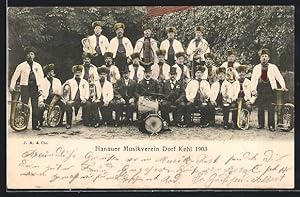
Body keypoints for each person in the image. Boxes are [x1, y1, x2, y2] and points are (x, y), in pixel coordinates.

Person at [250, 48, 287, 131]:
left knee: (271, 107)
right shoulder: (256, 68)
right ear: (260, 58)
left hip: (270, 89)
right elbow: (253, 79)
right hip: (260, 88)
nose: (264, 58)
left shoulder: (273, 67)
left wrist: (283, 86)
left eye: (266, 56)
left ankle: (271, 125)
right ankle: (261, 124)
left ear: (268, 58)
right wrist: (253, 89)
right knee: (260, 106)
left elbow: (279, 77)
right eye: (262, 56)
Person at [9, 46, 44, 130]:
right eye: (28, 54)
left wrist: (41, 89)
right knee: (24, 105)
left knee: (35, 106)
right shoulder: (21, 65)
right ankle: (23, 124)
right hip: (25, 87)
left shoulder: (38, 66)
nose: (30, 56)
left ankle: (35, 125)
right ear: (26, 56)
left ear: (34, 56)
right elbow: (15, 76)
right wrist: (11, 86)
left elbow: (41, 78)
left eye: (32, 54)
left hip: (35, 87)